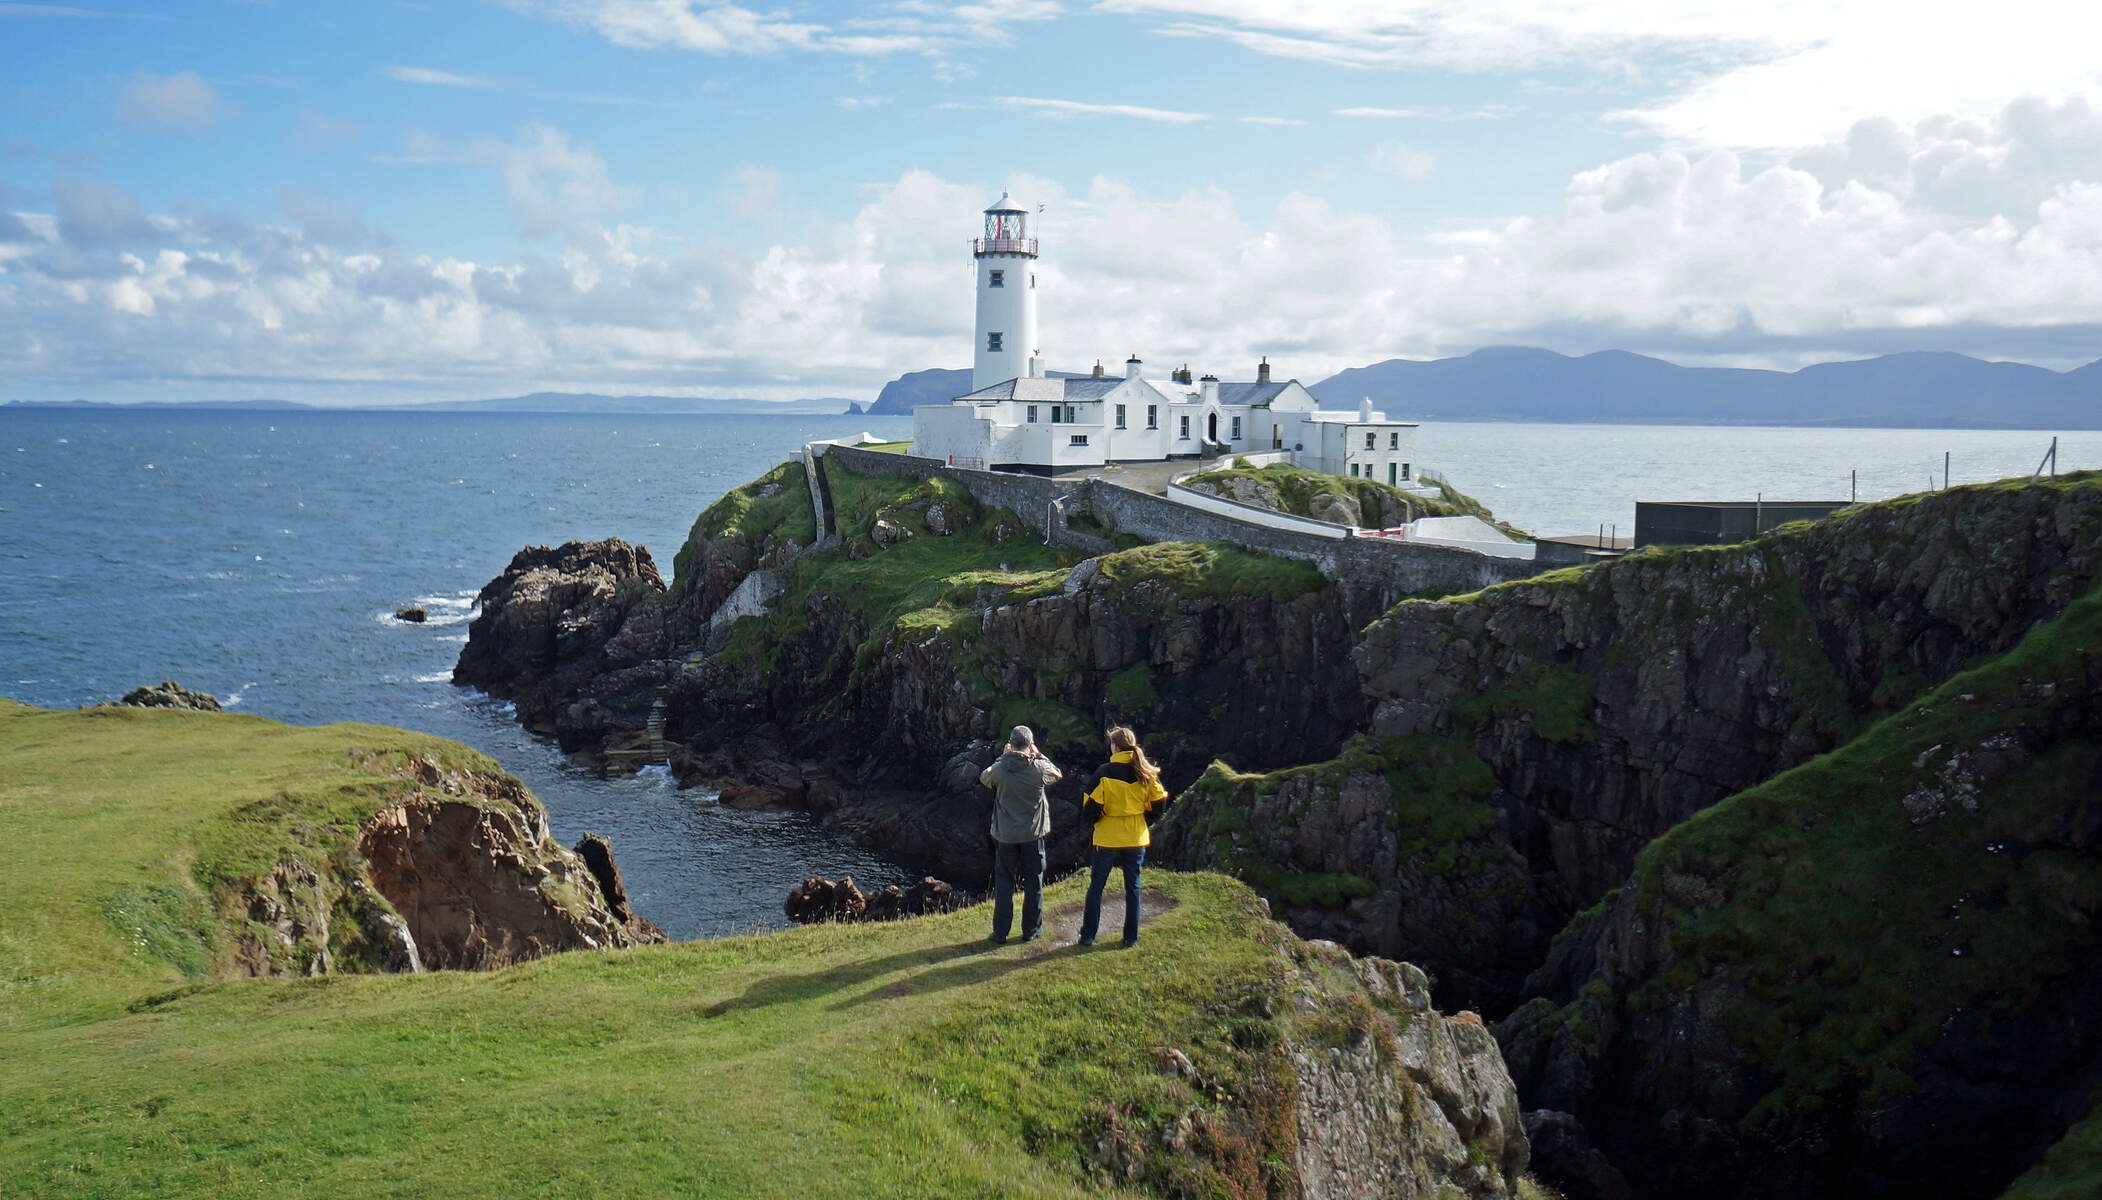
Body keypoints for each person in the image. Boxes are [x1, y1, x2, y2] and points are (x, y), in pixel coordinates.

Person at [1077, 726, 1169, 947]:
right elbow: (1159, 804)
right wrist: (1142, 819)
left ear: (1115, 746)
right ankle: (1131, 937)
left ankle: (1089, 935)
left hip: (1108, 836)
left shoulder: (1104, 773)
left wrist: (1101, 818)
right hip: (1135, 835)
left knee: (1097, 886)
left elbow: (1089, 808)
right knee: (1133, 886)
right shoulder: (1146, 772)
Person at [978, 724, 1060, 944]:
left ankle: (1001, 932)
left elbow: (984, 779)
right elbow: (1057, 774)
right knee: (1034, 880)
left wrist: (1002, 758)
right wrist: (1038, 753)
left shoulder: (1000, 768)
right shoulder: (1039, 768)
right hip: (1033, 835)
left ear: (1011, 744)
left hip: (1005, 835)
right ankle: (1031, 930)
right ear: (1030, 744)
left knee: (1005, 882)